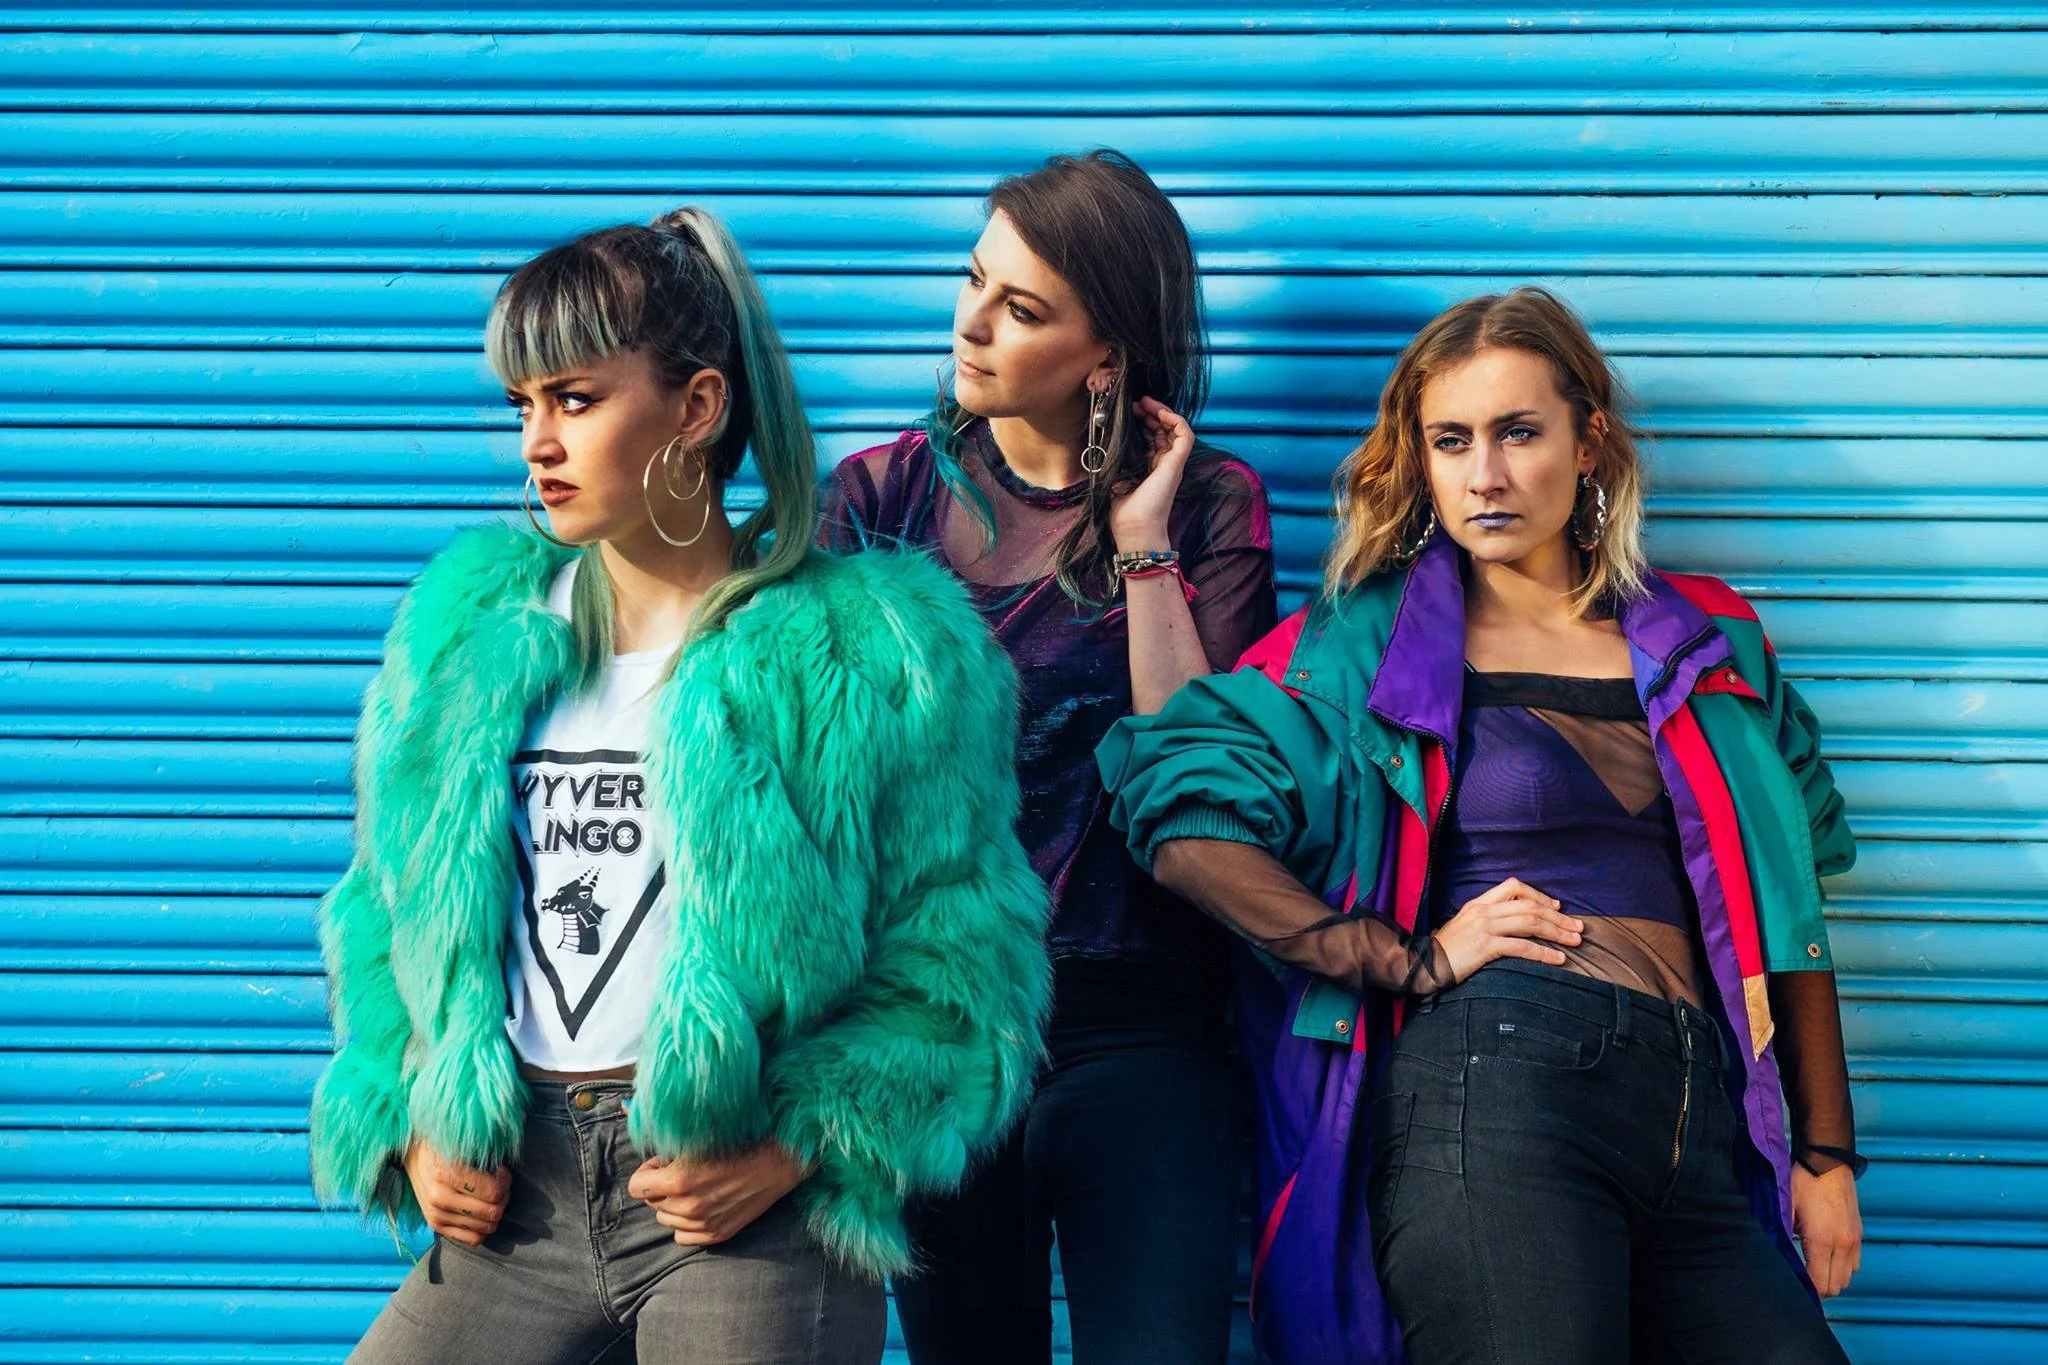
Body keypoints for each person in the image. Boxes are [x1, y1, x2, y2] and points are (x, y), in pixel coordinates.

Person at [309, 207, 1052, 1365]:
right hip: (517, 1194)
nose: (536, 443)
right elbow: (380, 912)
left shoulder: (873, 653)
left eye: (575, 399)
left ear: (698, 407)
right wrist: (410, 1116)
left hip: (739, 1206)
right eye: (522, 404)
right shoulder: (464, 636)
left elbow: (963, 965)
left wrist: (799, 1149)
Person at [1099, 287, 1864, 1364]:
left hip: (1694, 1117)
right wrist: (1401, 957)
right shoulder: (1361, 649)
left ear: (1588, 444)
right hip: (1496, 1092)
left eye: (1517, 433)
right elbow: (1182, 808)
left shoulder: (1711, 640)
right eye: (1451, 441)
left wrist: (1824, 1151)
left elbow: (1788, 901)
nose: (1485, 476)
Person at [820, 149, 1276, 1364]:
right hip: (936, 1024)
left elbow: (1195, 771)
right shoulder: (877, 500)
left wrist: (1141, 543)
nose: (971, 324)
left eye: (1022, 308)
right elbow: (819, 787)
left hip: (1140, 1025)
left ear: (1105, 355)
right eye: (974, 281)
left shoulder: (1208, 504)